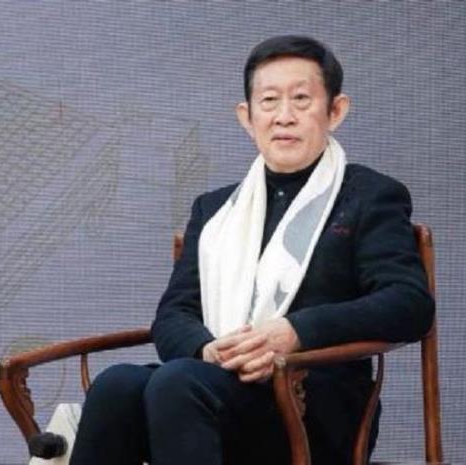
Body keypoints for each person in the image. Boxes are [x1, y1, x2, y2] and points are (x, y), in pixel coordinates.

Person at [70, 35, 434, 465]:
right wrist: (209, 351)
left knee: (178, 383)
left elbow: (409, 303)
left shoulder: (368, 196)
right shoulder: (215, 211)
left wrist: (294, 332)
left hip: (314, 408)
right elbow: (173, 314)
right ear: (247, 117)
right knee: (116, 386)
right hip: (218, 388)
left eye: (301, 99)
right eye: (269, 101)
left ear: (335, 111)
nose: (284, 116)